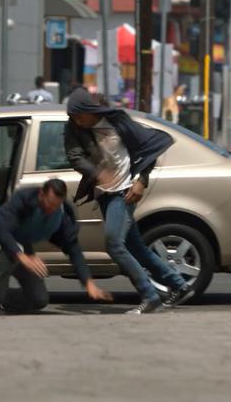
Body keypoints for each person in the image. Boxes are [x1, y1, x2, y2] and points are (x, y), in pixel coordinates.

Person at [64, 89, 192, 314]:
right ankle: (178, 285)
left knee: (114, 244)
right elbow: (75, 156)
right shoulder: (73, 128)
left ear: (90, 112)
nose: (75, 120)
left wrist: (141, 180)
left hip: (125, 191)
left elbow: (148, 149)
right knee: (134, 246)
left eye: (78, 115)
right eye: (72, 116)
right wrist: (97, 174)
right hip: (104, 193)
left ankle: (150, 296)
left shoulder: (118, 121)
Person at [0, 178, 113, 315]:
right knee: (15, 250)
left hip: (21, 244)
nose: (51, 210)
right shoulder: (24, 198)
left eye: (56, 206)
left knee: (38, 299)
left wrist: (88, 283)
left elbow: (74, 250)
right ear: (41, 194)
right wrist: (21, 256)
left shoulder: (61, 217)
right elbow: (2, 229)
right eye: (48, 204)